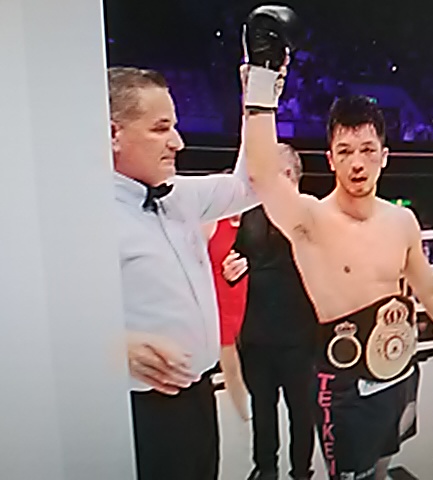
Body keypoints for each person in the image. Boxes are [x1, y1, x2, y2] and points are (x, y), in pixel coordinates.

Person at [236, 6, 433, 478]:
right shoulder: (310, 220)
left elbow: (429, 289)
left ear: (385, 156)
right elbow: (261, 174)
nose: (357, 163)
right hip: (343, 382)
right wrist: (261, 79)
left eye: (366, 150)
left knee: (383, 466)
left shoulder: (402, 221)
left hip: (400, 370)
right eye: (345, 151)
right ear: (330, 159)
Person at [110, 66, 258, 480]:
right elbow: (36, 317)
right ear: (114, 134)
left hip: (199, 398)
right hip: (139, 411)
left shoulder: (180, 195)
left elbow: (251, 185)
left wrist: (257, 100)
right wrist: (106, 346)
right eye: (161, 128)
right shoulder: (81, 215)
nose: (178, 142)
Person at [222, 144, 317, 480]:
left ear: (288, 174)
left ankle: (302, 472)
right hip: (256, 335)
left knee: (302, 412)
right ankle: (265, 470)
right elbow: (231, 261)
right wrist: (231, 270)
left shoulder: (310, 214)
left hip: (300, 337)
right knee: (263, 411)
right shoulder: (249, 215)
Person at [205, 209, 251, 422]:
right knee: (231, 365)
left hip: (252, 299)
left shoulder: (259, 222)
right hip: (221, 303)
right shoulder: (211, 223)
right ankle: (245, 416)